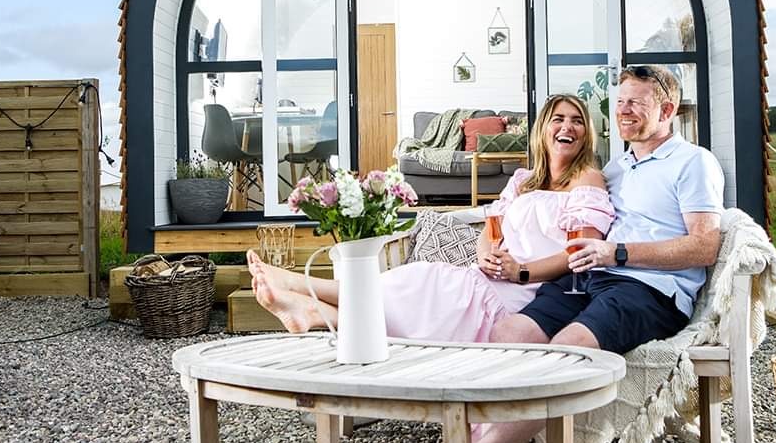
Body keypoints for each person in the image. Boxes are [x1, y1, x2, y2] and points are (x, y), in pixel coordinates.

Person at [476, 65, 725, 443]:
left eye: (636, 104)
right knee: (508, 335)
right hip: (592, 279)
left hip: (647, 291)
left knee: (565, 351)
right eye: (620, 102)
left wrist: (617, 253)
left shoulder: (693, 162)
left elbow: (705, 245)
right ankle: (499, 433)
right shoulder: (616, 167)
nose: (623, 111)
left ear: (667, 111)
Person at [248, 94, 615, 343]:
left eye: (577, 121)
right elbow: (492, 225)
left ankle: (304, 291)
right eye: (558, 119)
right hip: (487, 275)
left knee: (423, 286)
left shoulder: (587, 180)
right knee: (416, 280)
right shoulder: (523, 181)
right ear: (543, 130)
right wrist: (485, 252)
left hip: (527, 290)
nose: (567, 127)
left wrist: (520, 271)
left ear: (586, 134)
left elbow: (579, 252)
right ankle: (311, 309)